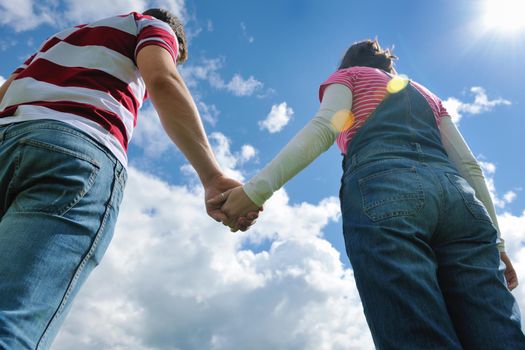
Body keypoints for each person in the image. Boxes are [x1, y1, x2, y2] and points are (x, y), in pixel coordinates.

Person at [210, 39, 525, 349]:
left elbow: (325, 127)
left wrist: (254, 192)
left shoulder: (350, 77)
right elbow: (469, 166)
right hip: (461, 200)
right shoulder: (428, 96)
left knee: (418, 333)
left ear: (347, 63)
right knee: (498, 332)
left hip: (386, 189)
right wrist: (497, 244)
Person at [0, 8, 256, 349]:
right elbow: (162, 79)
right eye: (176, 56)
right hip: (74, 151)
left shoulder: (56, 42)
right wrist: (211, 175)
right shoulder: (151, 26)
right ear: (175, 41)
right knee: (11, 320)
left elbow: (5, 94)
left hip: (9, 137)